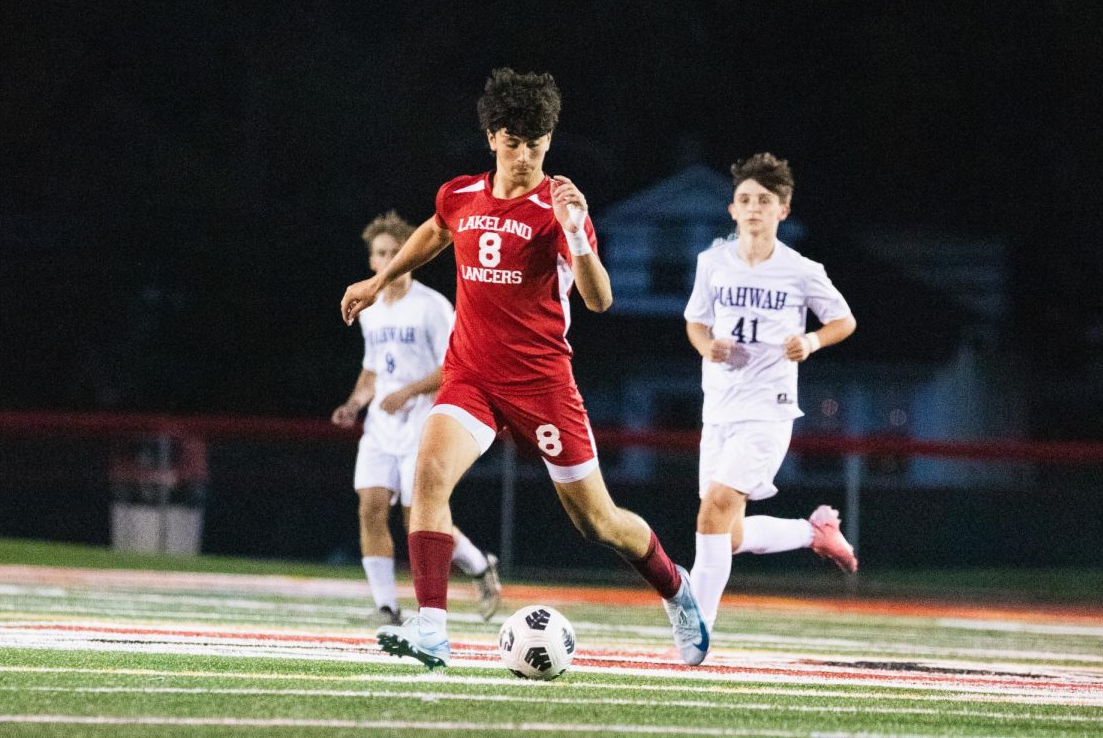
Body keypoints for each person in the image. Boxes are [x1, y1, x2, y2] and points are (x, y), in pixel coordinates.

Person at [342, 68, 710, 669]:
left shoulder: (558, 207)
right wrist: (379, 279)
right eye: (513, 143)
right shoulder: (460, 194)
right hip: (471, 377)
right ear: (492, 138)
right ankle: (432, 627)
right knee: (428, 473)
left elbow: (599, 300)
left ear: (548, 143)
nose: (524, 156)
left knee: (600, 523)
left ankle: (676, 586)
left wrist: (579, 238)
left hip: (542, 387)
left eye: (536, 145)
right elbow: (436, 230)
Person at [684, 152, 859, 633]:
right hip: (718, 407)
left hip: (768, 410)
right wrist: (708, 347)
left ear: (783, 209)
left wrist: (811, 340)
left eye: (764, 200)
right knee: (728, 531)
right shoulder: (711, 261)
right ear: (732, 210)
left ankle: (696, 629)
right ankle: (813, 532)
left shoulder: (801, 270)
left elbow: (844, 320)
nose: (754, 208)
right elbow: (695, 323)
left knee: (713, 509)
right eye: (745, 199)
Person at [334, 211, 501, 626]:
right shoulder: (370, 310)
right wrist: (355, 402)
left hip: (423, 424)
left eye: (396, 252)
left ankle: (479, 563)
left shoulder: (431, 307)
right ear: (372, 261)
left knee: (418, 519)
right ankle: (387, 607)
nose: (388, 259)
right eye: (381, 253)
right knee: (370, 508)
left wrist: (408, 391)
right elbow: (373, 370)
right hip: (380, 428)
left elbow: (456, 365)